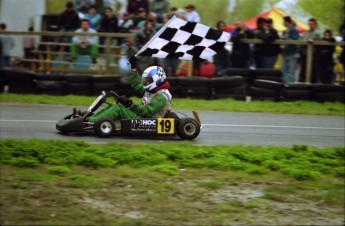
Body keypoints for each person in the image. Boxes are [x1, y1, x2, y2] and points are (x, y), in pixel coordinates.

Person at [87, 56, 172, 123]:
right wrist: (133, 68)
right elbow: (136, 84)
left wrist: (131, 104)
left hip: (148, 121)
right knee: (113, 105)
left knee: (118, 109)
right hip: (142, 116)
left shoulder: (162, 95)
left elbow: (148, 112)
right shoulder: (153, 90)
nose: (146, 83)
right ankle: (90, 118)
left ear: (158, 80)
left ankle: (92, 121)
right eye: (146, 80)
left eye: (148, 81)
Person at [299, 18, 321, 83]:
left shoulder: (318, 32)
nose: (311, 25)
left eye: (312, 24)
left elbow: (317, 40)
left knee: (312, 71)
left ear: (315, 24)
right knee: (303, 70)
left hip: (313, 54)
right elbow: (301, 40)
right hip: (304, 54)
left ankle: (312, 84)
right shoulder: (306, 32)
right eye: (310, 24)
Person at [281, 16, 299, 85]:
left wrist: (285, 37)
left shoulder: (294, 30)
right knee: (284, 71)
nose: (283, 23)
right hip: (285, 53)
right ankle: (285, 86)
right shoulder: (284, 31)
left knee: (291, 72)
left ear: (287, 22)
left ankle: (291, 87)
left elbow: (295, 40)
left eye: (284, 22)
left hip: (292, 53)